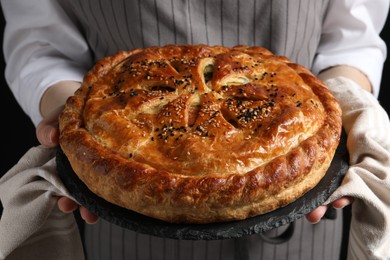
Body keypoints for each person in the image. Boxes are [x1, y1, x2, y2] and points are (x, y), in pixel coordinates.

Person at [1, 0, 389, 259]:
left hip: (300, 237)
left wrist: (347, 101)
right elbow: (40, 43)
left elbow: (351, 38)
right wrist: (62, 108)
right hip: (127, 238)